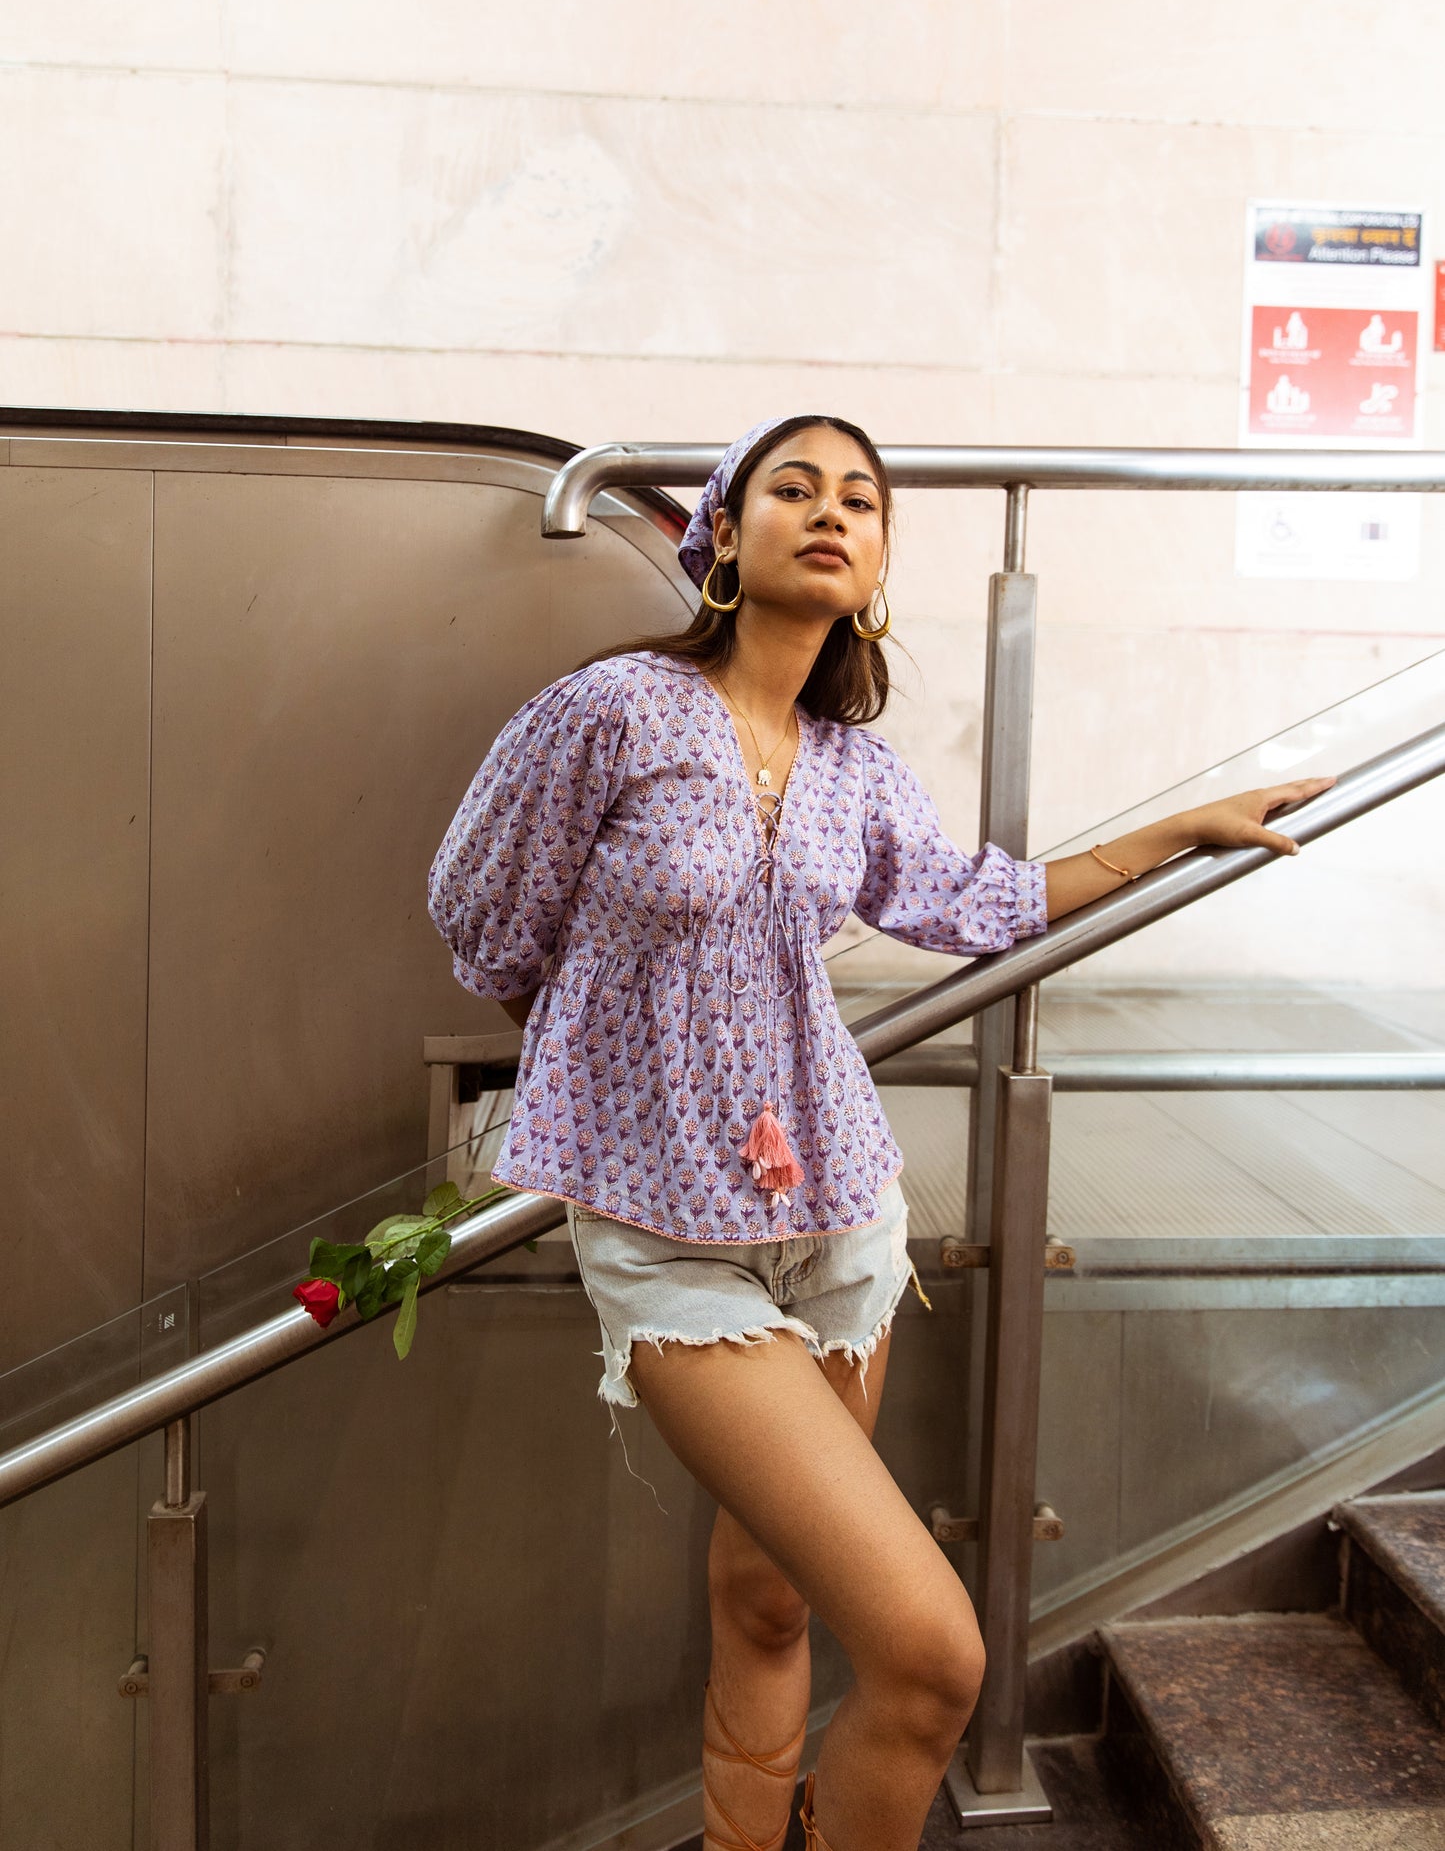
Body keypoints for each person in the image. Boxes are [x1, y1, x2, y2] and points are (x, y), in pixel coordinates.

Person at [426, 414, 1333, 1851]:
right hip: (670, 1244)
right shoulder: (608, 710)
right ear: (721, 533)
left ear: (880, 561)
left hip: (839, 1217)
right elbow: (485, 922)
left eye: (860, 498)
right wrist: (615, 1047)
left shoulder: (852, 763)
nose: (830, 513)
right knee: (933, 1659)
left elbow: (981, 904)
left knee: (772, 1591)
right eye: (792, 488)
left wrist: (1180, 831)